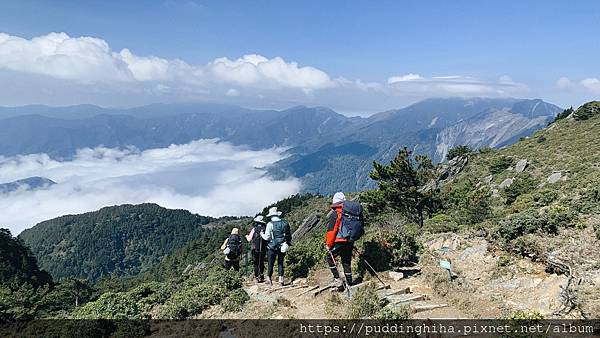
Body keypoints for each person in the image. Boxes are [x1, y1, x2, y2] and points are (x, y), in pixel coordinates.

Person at [325, 192, 364, 291]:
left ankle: (338, 280)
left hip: (339, 240)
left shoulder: (337, 212)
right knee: (346, 260)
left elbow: (332, 231)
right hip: (350, 239)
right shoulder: (351, 211)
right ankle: (349, 282)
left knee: (329, 257)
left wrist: (328, 244)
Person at [261, 207, 291, 286]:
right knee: (280, 262)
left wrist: (261, 234)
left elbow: (267, 237)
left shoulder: (270, 224)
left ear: (271, 215)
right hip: (283, 245)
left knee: (270, 263)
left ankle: (269, 279)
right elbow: (288, 234)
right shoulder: (285, 223)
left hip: (273, 246)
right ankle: (281, 279)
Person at [246, 215, 268, 283]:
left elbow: (249, 239)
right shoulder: (265, 229)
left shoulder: (254, 229)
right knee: (261, 262)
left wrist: (246, 236)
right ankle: (261, 276)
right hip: (263, 249)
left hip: (255, 249)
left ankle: (256, 277)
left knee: (256, 263)